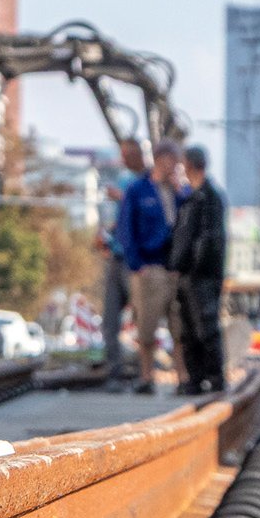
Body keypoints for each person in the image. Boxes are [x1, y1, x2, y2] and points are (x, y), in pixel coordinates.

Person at [117, 138, 185, 394]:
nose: (175, 167)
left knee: (179, 326)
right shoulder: (138, 190)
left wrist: (181, 192)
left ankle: (182, 376)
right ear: (160, 160)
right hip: (149, 267)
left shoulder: (178, 193)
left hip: (173, 268)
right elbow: (126, 229)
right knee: (147, 326)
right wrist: (137, 264)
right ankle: (146, 376)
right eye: (172, 162)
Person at [169, 144, 228, 394]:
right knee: (189, 331)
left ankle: (214, 378)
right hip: (189, 274)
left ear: (189, 165)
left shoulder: (207, 198)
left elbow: (207, 241)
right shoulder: (193, 198)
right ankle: (196, 379)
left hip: (200, 275)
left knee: (205, 327)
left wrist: (191, 266)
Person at [98, 138, 147, 390]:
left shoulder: (145, 183)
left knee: (141, 318)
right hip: (116, 256)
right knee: (110, 318)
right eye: (122, 154)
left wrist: (122, 197)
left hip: (135, 260)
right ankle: (114, 372)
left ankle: (143, 372)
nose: (124, 159)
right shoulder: (124, 179)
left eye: (128, 154)